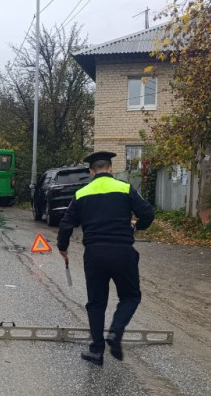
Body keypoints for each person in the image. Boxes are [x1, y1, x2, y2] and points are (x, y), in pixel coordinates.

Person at [57, 152, 155, 366]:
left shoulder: (82, 193)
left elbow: (66, 223)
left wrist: (62, 247)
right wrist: (138, 226)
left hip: (95, 255)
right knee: (130, 297)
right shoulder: (125, 188)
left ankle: (97, 351)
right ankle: (116, 332)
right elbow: (148, 213)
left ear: (91, 172)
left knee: (96, 303)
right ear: (110, 169)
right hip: (123, 252)